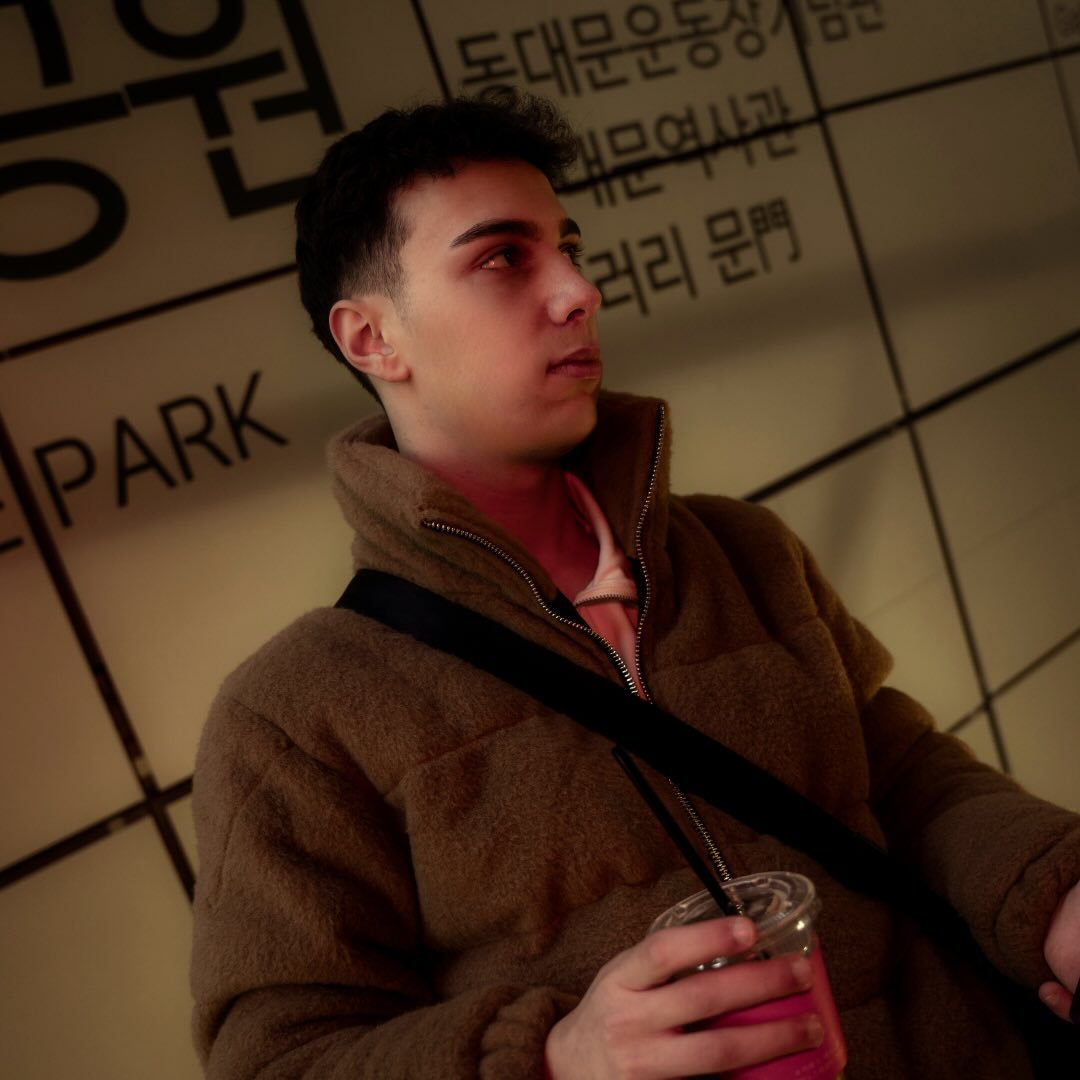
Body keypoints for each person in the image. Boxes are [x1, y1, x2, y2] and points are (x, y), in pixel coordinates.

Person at [189, 90, 1080, 1079]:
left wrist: (1053, 892)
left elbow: (903, 782)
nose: (578, 288)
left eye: (566, 245)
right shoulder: (298, 715)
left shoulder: (744, 552)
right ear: (371, 340)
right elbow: (278, 1058)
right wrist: (559, 1057)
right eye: (503, 258)